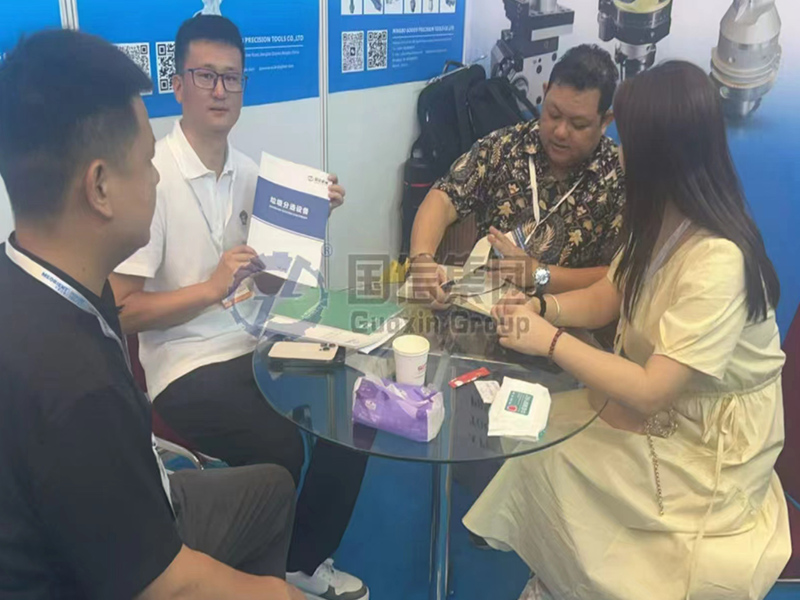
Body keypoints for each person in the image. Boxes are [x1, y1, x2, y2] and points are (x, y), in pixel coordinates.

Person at [465, 61, 790, 600]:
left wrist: (547, 339)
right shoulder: (659, 218)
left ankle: (574, 581)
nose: (618, 152)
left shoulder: (718, 261)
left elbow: (652, 389)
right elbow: (609, 294)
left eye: (628, 141)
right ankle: (562, 575)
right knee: (536, 437)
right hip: (662, 406)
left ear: (661, 153)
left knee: (555, 456)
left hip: (708, 440)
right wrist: (542, 308)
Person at [0, 29, 303, 600]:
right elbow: (161, 581)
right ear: (100, 187)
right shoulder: (76, 387)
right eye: (145, 163)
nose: (157, 176)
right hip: (115, 559)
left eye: (231, 78)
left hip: (138, 494)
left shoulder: (35, 281)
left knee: (273, 489)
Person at [109, 15, 369, 600]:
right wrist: (210, 288)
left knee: (356, 410)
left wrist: (310, 218)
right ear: (178, 84)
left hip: (256, 343)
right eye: (206, 76)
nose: (220, 90)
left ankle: (301, 559)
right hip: (185, 363)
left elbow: (274, 284)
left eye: (232, 77)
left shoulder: (254, 176)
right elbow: (121, 310)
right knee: (279, 449)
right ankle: (258, 575)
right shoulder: (151, 179)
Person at [409, 44, 625, 308]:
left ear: (605, 121)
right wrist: (422, 259)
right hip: (484, 308)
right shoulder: (506, 147)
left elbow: (617, 276)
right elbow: (444, 198)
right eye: (553, 114)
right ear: (544, 93)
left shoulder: (617, 176)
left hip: (566, 320)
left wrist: (538, 274)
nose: (560, 132)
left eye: (578, 125)